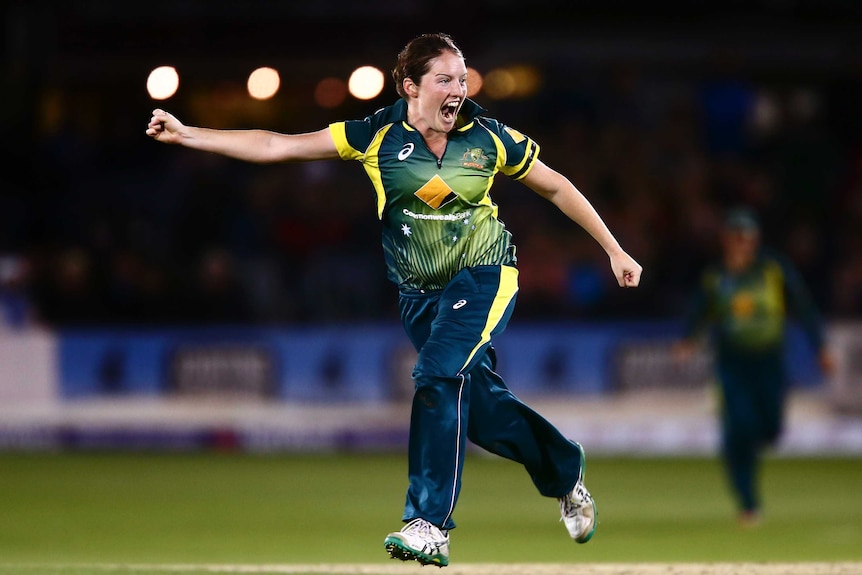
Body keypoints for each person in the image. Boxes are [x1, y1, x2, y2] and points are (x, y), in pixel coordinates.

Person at [147, 32, 642, 567]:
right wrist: (188, 134)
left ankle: (429, 522)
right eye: (444, 79)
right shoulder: (375, 136)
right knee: (477, 411)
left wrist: (613, 249)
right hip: (419, 297)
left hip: (484, 277)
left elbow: (556, 186)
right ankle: (565, 468)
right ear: (410, 86)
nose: (458, 89)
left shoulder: (488, 138)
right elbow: (277, 145)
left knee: (435, 375)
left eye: (462, 77)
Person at [674, 206, 833, 527]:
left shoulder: (773, 268)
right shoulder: (717, 275)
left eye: (747, 237)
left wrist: (821, 347)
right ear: (726, 240)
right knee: (739, 428)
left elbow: (803, 306)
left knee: (771, 428)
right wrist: (689, 340)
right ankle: (748, 503)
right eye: (736, 237)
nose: (742, 243)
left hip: (769, 361)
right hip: (732, 363)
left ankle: (748, 449)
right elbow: (699, 311)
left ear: (755, 239)